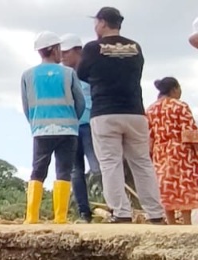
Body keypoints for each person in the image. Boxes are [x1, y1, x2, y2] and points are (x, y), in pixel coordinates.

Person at [78, 7, 166, 224]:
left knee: (110, 163)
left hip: (105, 112)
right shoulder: (135, 47)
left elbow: (81, 74)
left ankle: (121, 212)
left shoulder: (92, 48)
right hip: (135, 111)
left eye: (96, 23)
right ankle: (155, 212)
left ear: (102, 22)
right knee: (142, 162)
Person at [21, 31, 85, 224]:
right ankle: (60, 218)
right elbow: (80, 102)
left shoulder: (28, 75)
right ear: (54, 49)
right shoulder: (68, 73)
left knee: (38, 170)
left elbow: (26, 106)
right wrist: (73, 119)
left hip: (41, 129)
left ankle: (31, 217)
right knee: (64, 171)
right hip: (68, 130)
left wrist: (35, 122)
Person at [61, 34, 102, 223]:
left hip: (90, 125)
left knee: (98, 168)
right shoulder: (63, 76)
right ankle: (84, 212)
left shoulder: (90, 73)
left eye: (66, 52)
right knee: (76, 171)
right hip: (71, 128)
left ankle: (116, 207)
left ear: (78, 51)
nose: (63, 57)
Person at [147, 77, 198, 225]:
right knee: (183, 186)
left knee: (165, 187)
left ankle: (171, 223)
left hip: (160, 151)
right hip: (181, 152)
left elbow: (149, 136)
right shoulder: (180, 106)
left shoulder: (151, 109)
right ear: (174, 89)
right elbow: (190, 133)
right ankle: (187, 223)